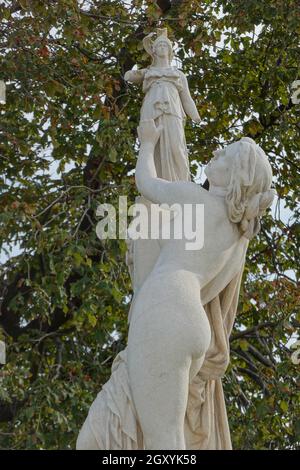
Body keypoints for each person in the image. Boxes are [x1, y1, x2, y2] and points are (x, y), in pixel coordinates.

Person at [76, 121, 275, 450]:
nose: (217, 151)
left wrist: (149, 142)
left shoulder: (196, 198)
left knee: (164, 444)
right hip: (190, 324)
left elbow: (147, 182)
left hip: (163, 313)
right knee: (101, 441)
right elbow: (213, 296)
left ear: (237, 175)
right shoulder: (239, 236)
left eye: (225, 153)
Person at [124, 29, 200, 181]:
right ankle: (154, 185)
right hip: (151, 110)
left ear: (170, 50)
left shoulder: (178, 74)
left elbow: (187, 99)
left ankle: (182, 184)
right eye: (159, 45)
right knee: (153, 148)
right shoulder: (149, 71)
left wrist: (196, 116)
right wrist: (140, 73)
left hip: (173, 110)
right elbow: (128, 76)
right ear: (154, 50)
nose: (163, 48)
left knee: (176, 148)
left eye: (166, 45)